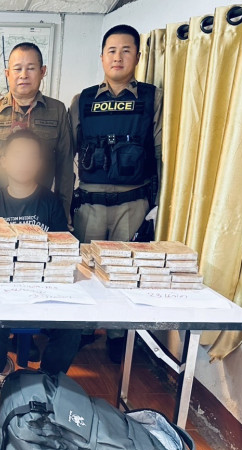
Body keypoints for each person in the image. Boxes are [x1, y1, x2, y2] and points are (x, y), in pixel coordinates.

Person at [70, 25, 163, 363]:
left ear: (137, 56)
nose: (118, 57)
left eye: (126, 50)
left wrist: (160, 203)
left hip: (132, 202)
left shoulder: (152, 98)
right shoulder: (83, 100)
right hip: (90, 202)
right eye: (111, 50)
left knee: (124, 272)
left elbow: (160, 152)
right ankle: (81, 330)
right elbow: (68, 153)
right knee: (85, 269)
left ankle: (117, 336)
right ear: (102, 57)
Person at [0, 130, 80, 391]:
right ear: (4, 161)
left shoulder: (50, 202)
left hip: (43, 289)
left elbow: (60, 250)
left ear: (39, 163)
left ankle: (47, 379)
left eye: (31, 157)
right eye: (17, 156)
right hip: (1, 290)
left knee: (74, 325)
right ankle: (2, 369)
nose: (24, 162)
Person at [0, 42, 74, 224]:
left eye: (31, 68)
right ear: (7, 73)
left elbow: (65, 165)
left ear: (43, 71)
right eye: (17, 69)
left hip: (42, 211)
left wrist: (62, 212)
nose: (24, 75)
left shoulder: (57, 111)